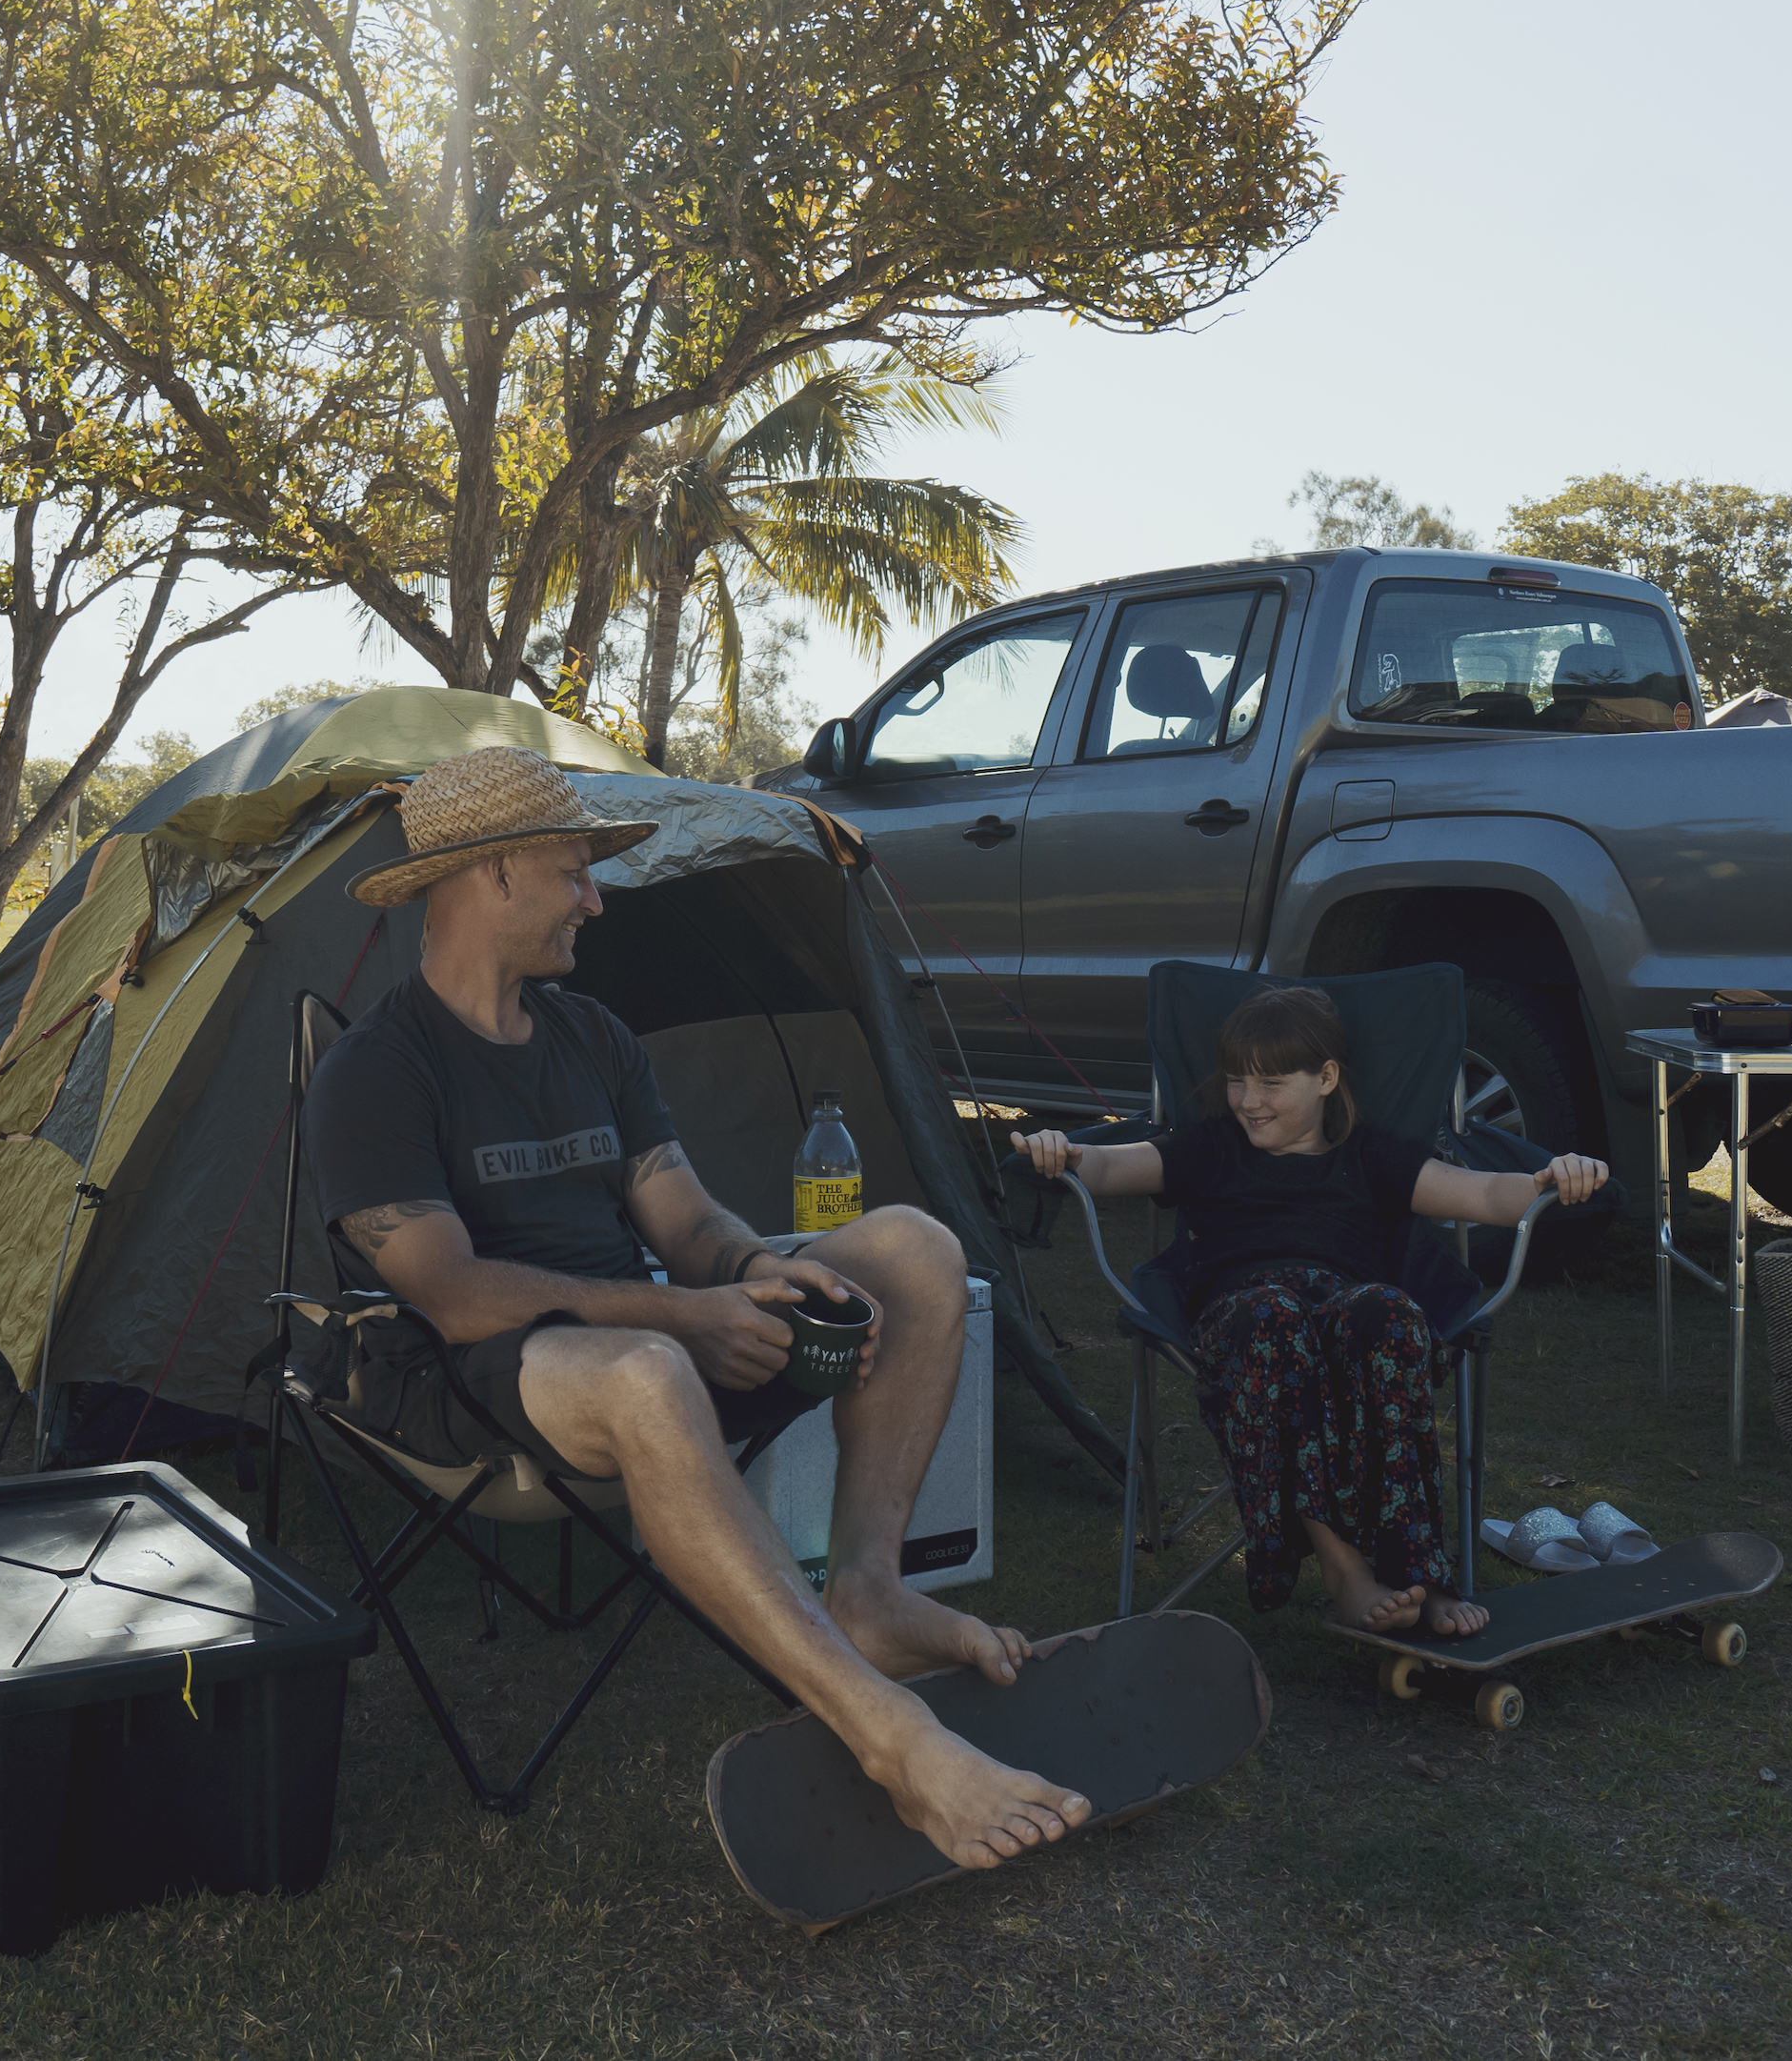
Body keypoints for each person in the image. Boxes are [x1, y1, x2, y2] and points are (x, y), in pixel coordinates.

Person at [304, 745, 1086, 1874]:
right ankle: (893, 1739)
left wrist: (752, 1273)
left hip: (643, 1337)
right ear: (495, 876)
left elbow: (687, 1226)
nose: (596, 898)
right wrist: (680, 1319)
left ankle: (867, 1591)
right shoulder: (379, 1068)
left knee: (914, 1249)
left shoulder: (593, 1039)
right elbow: (453, 1293)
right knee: (645, 1370)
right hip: (472, 1379)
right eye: (575, 872)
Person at [1017, 987, 1605, 1642]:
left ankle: (1421, 1572)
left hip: (1342, 1317)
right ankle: (1343, 1569)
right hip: (1246, 1319)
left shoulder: (1371, 1155)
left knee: (1389, 1312)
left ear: (1325, 1077)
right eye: (1237, 1080)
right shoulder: (1212, 1148)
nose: (1247, 1099)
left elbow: (1487, 1191)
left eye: (1271, 1081)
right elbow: (1105, 1165)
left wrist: (1549, 1178)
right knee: (1275, 1320)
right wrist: (1064, 1151)